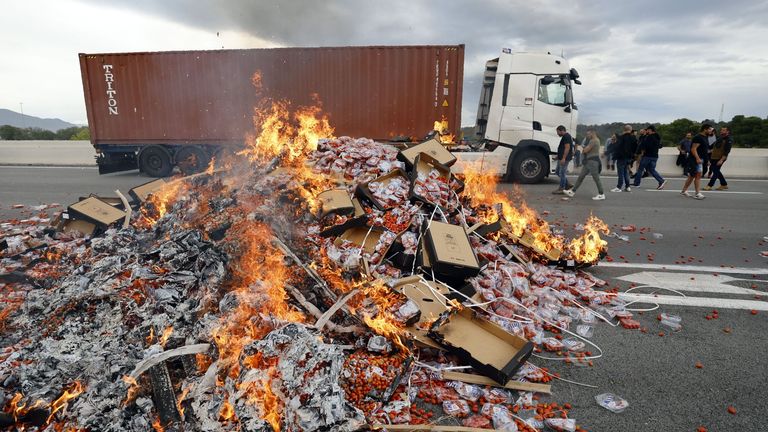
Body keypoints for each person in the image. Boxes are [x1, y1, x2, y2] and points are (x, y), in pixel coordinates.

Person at [564, 129, 605, 200]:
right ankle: (572, 191)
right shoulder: (594, 140)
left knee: (596, 178)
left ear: (592, 133)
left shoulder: (593, 141)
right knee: (581, 176)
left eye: (588, 134)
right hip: (589, 162)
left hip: (593, 162)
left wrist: (584, 149)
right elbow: (586, 150)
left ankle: (601, 194)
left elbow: (586, 150)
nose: (587, 136)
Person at [681, 123, 713, 199]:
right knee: (697, 175)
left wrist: (707, 160)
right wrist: (697, 158)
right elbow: (693, 149)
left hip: (700, 159)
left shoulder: (705, 137)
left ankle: (684, 191)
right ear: (705, 129)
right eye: (709, 129)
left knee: (692, 176)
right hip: (695, 159)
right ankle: (697, 193)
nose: (710, 131)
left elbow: (704, 150)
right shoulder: (698, 137)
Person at [632, 124, 666, 189]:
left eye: (647, 130)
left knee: (640, 169)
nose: (646, 131)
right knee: (652, 170)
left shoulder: (649, 137)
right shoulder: (657, 137)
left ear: (650, 130)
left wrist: (641, 153)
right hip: (655, 156)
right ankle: (661, 181)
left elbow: (644, 146)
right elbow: (660, 146)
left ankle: (636, 183)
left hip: (647, 156)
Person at [704, 126, 733, 190]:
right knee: (716, 171)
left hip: (720, 158)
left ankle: (710, 185)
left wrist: (721, 160)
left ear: (727, 131)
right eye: (721, 130)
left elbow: (726, 151)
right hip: (713, 157)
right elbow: (714, 147)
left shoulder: (729, 140)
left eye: (723, 130)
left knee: (716, 171)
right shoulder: (719, 138)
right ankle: (724, 184)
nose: (721, 131)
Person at [611, 125, 637, 192]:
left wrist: (613, 143)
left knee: (620, 173)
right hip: (629, 158)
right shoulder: (633, 138)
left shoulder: (621, 137)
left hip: (621, 158)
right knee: (626, 172)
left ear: (624, 130)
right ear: (630, 130)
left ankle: (619, 187)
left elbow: (617, 147)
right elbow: (635, 148)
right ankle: (628, 187)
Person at [552, 125, 573, 194]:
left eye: (558, 132)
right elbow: (562, 148)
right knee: (558, 172)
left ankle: (562, 188)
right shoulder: (565, 137)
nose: (557, 134)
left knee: (562, 173)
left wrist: (563, 158)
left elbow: (567, 148)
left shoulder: (566, 136)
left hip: (565, 158)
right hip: (561, 158)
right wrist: (558, 157)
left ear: (562, 130)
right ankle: (567, 184)